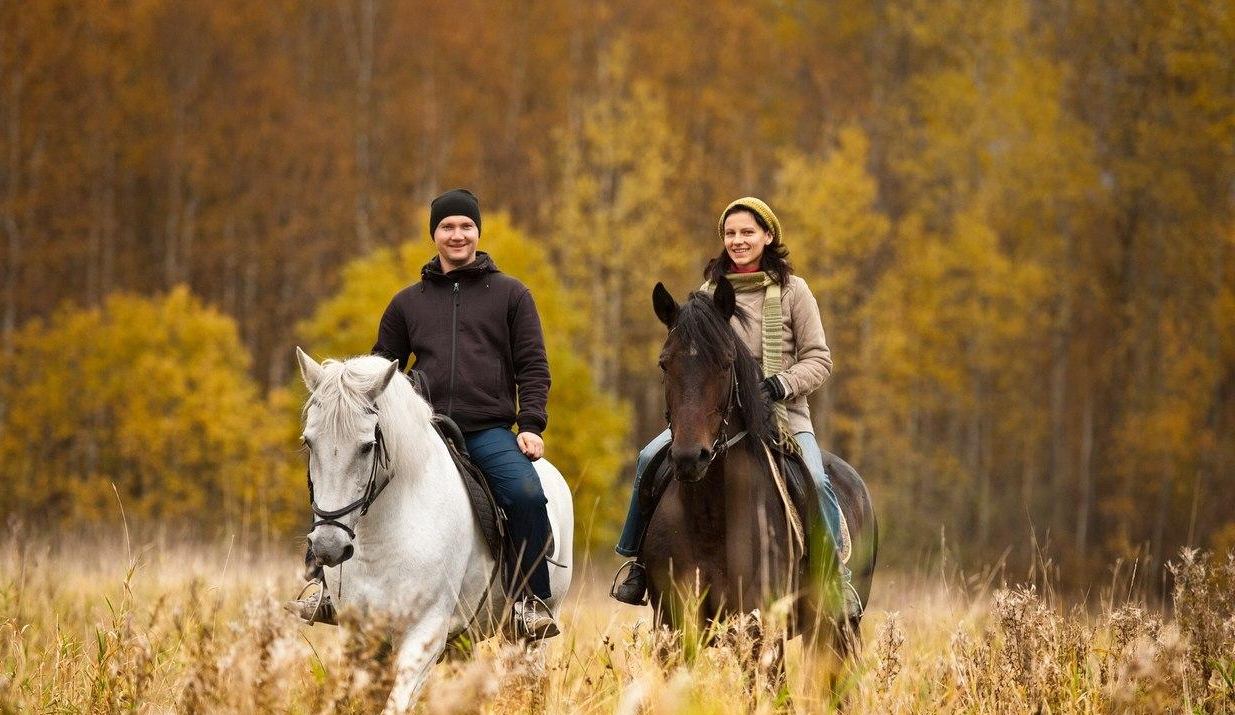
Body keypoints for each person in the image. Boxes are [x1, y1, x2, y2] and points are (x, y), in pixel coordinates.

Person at [292, 189, 558, 640]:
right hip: (420, 430)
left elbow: (533, 365)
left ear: (478, 231)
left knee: (527, 494)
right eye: (448, 226)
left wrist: (530, 424)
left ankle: (530, 602)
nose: (458, 235)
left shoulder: (512, 295)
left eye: (466, 226)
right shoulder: (406, 303)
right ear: (434, 234)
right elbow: (376, 372)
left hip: (486, 430)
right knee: (342, 472)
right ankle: (323, 584)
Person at [610, 196, 859, 618]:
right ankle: (636, 563)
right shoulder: (707, 295)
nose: (738, 241)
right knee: (649, 457)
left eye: (747, 232)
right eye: (730, 234)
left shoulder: (795, 292)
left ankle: (835, 578)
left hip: (783, 415)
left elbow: (820, 359)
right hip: (713, 418)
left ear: (767, 235)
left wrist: (780, 384)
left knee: (816, 480)